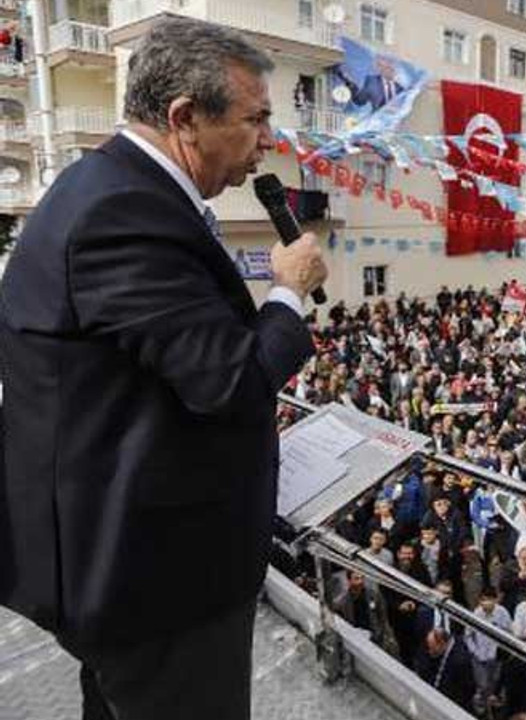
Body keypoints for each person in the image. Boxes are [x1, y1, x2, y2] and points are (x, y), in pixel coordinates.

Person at [0, 17, 326, 720]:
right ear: (185, 117)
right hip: (155, 580)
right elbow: (231, 381)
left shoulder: (110, 187)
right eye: (255, 118)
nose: (268, 140)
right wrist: (289, 292)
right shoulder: (125, 211)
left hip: (122, 562)